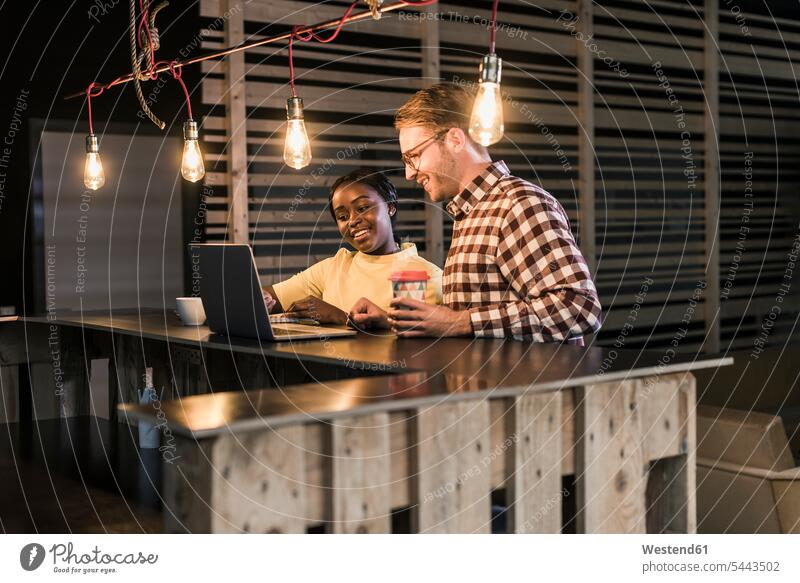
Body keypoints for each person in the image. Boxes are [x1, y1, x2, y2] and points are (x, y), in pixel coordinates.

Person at [350, 83, 602, 343]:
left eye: (413, 156)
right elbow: (471, 318)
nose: (409, 173)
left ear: (455, 140)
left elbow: (579, 309)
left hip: (522, 384)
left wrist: (459, 321)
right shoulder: (472, 212)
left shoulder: (517, 204)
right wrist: (400, 320)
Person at [263, 167, 442, 324]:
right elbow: (267, 297)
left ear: (390, 207)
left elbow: (410, 344)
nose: (352, 221)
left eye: (363, 208)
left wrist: (342, 318)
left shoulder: (422, 274)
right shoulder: (332, 268)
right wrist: (261, 299)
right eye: (342, 217)